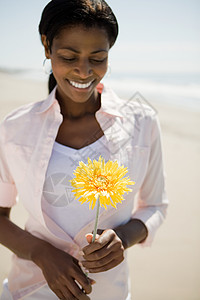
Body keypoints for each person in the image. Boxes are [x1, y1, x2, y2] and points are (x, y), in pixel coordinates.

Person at [0, 0, 168, 299]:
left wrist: (125, 238)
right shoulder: (15, 128)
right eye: (68, 56)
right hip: (29, 290)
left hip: (109, 292)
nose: (83, 70)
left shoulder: (142, 122)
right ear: (46, 46)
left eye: (98, 57)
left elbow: (154, 206)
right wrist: (41, 253)